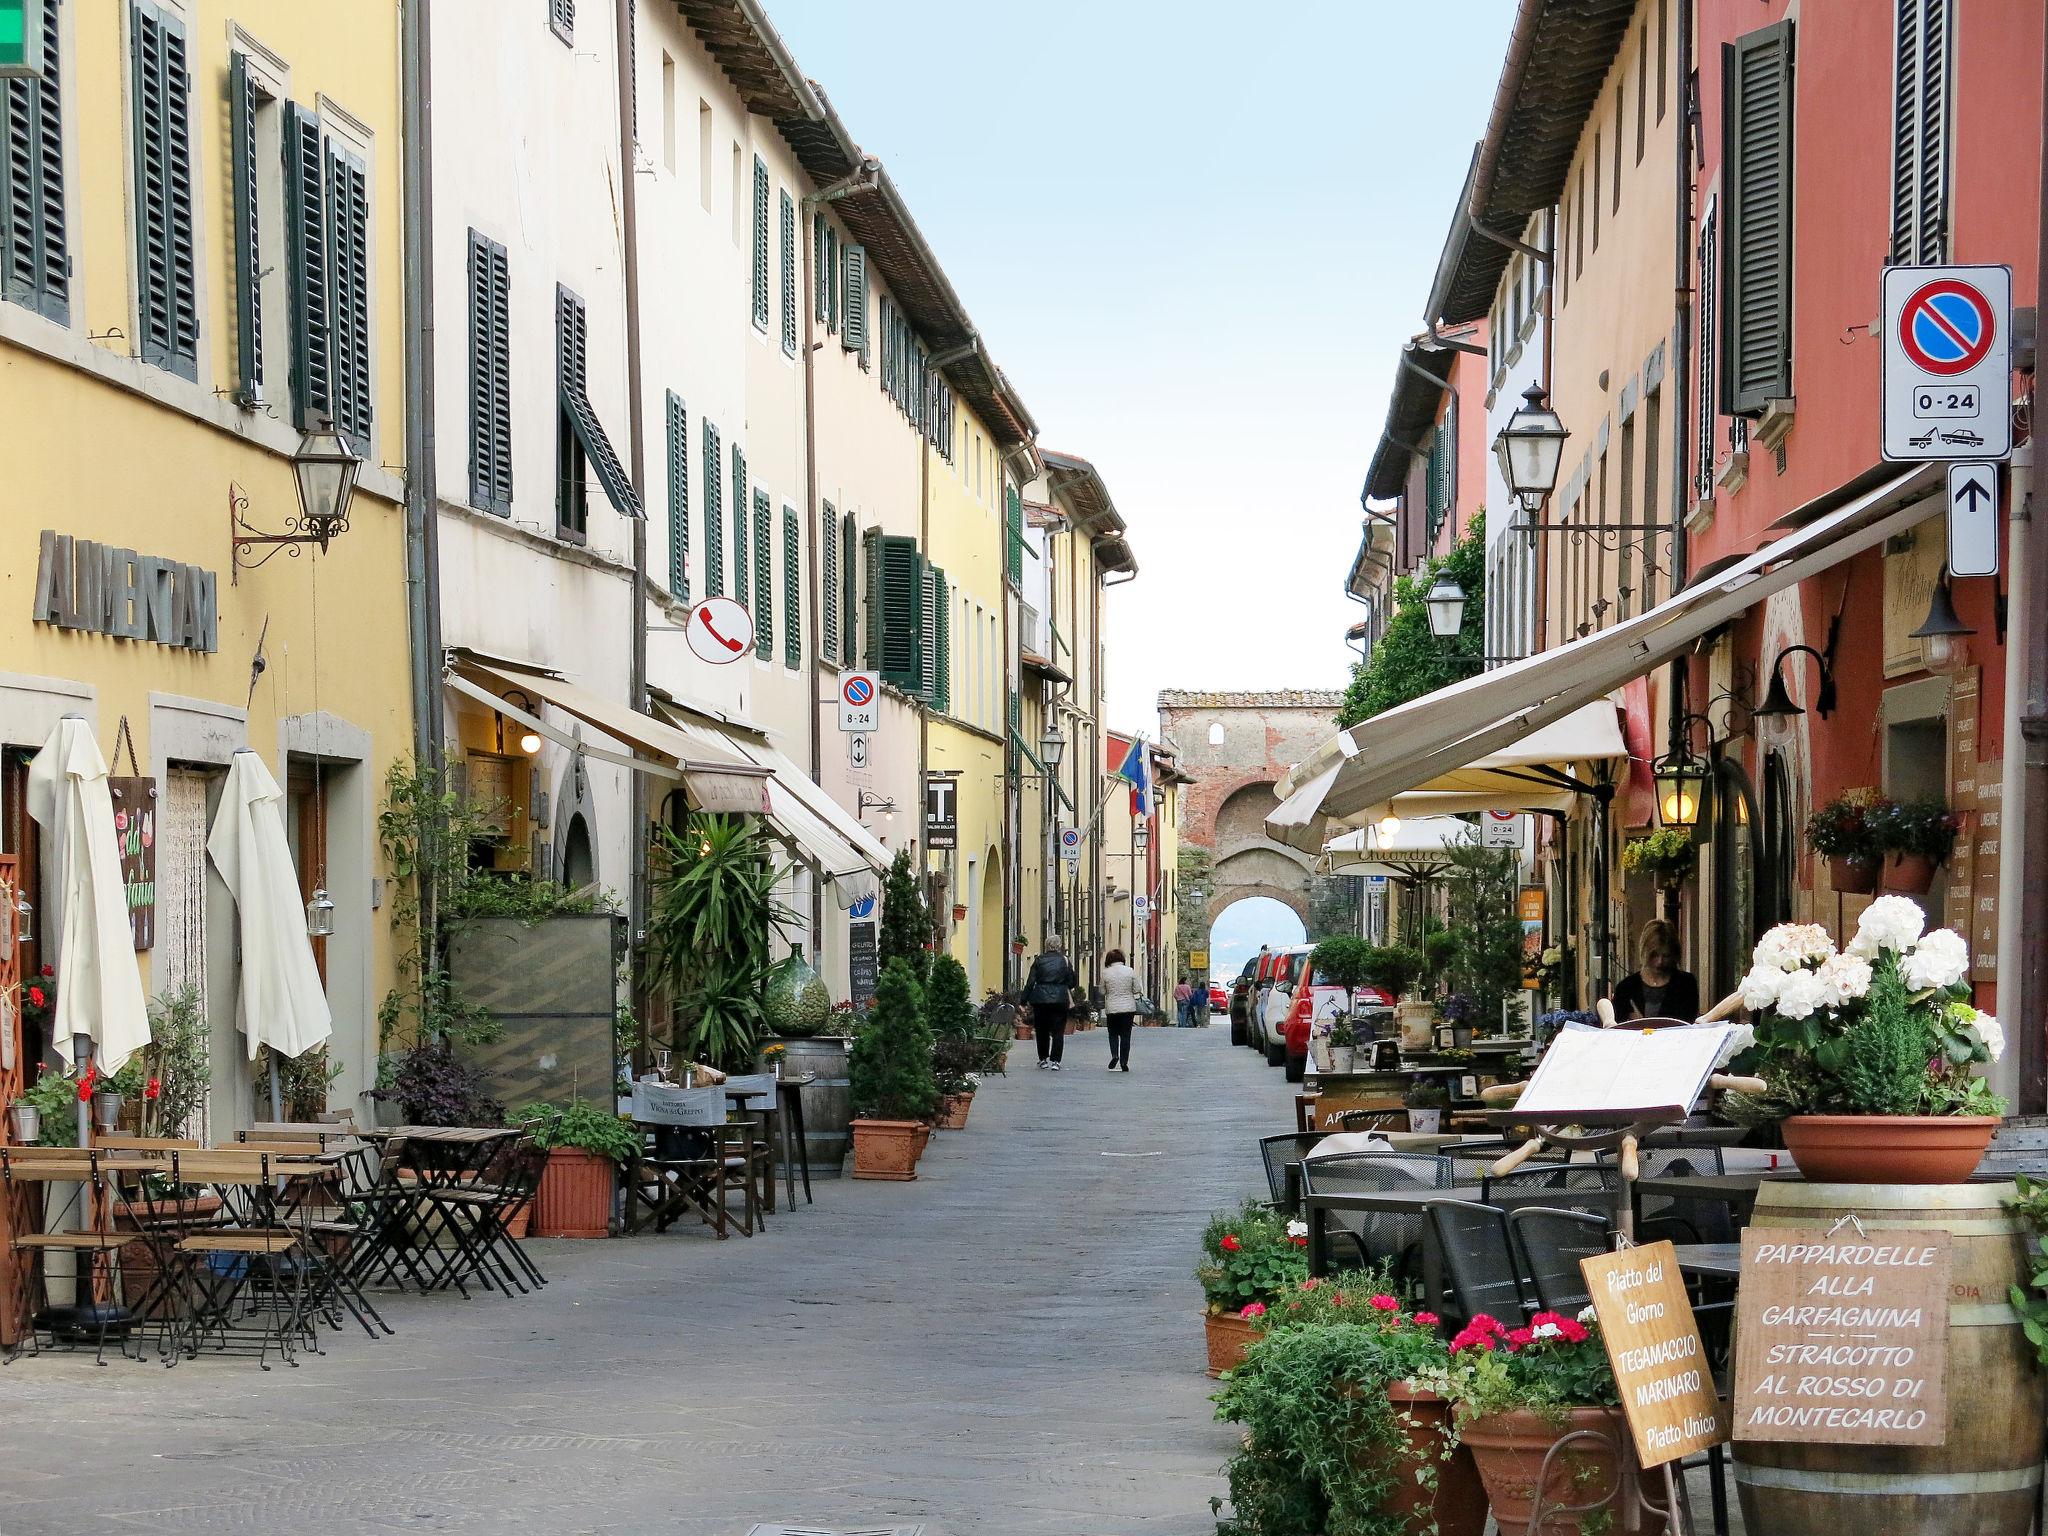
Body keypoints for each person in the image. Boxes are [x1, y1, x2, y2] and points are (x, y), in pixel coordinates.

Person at [1611, 919, 1701, 1023]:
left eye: (1666, 955)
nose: (1660, 962)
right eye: (1654, 955)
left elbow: (1688, 1022)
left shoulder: (1686, 984)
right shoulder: (1626, 987)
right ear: (1645, 952)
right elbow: (1617, 1026)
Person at [1022, 937, 1080, 1070]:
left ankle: (1043, 1059)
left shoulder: (1039, 960)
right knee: (1058, 1031)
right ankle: (1056, 1061)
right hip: (1060, 999)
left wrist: (1023, 1000)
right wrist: (1061, 986)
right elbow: (1072, 981)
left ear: (1046, 945)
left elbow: (1030, 982)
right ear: (1059, 946)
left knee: (1042, 1030)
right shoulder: (1065, 960)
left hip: (1041, 999)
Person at [1102, 949, 1141, 1070]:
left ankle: (1114, 1055)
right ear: (1122, 959)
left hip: (1112, 1008)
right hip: (1128, 1008)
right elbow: (1137, 989)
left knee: (1112, 1034)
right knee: (1126, 1035)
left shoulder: (1105, 973)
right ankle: (1124, 1062)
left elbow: (1102, 991)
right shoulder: (1130, 971)